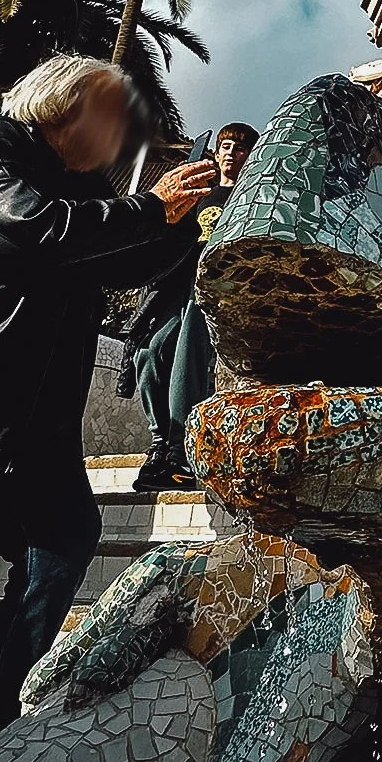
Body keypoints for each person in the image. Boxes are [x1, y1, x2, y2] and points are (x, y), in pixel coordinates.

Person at [0, 56, 217, 754]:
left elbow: (122, 261)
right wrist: (148, 208)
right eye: (112, 113)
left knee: (61, 545)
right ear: (63, 105)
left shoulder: (83, 189)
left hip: (32, 424)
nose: (122, 130)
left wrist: (179, 223)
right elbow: (26, 231)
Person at [126, 122, 259, 491]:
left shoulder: (250, 198)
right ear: (217, 152)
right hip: (174, 283)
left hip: (213, 289)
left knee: (187, 353)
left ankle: (181, 450)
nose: (232, 152)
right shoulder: (199, 193)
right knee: (150, 353)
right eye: (227, 145)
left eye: (242, 148)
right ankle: (160, 440)